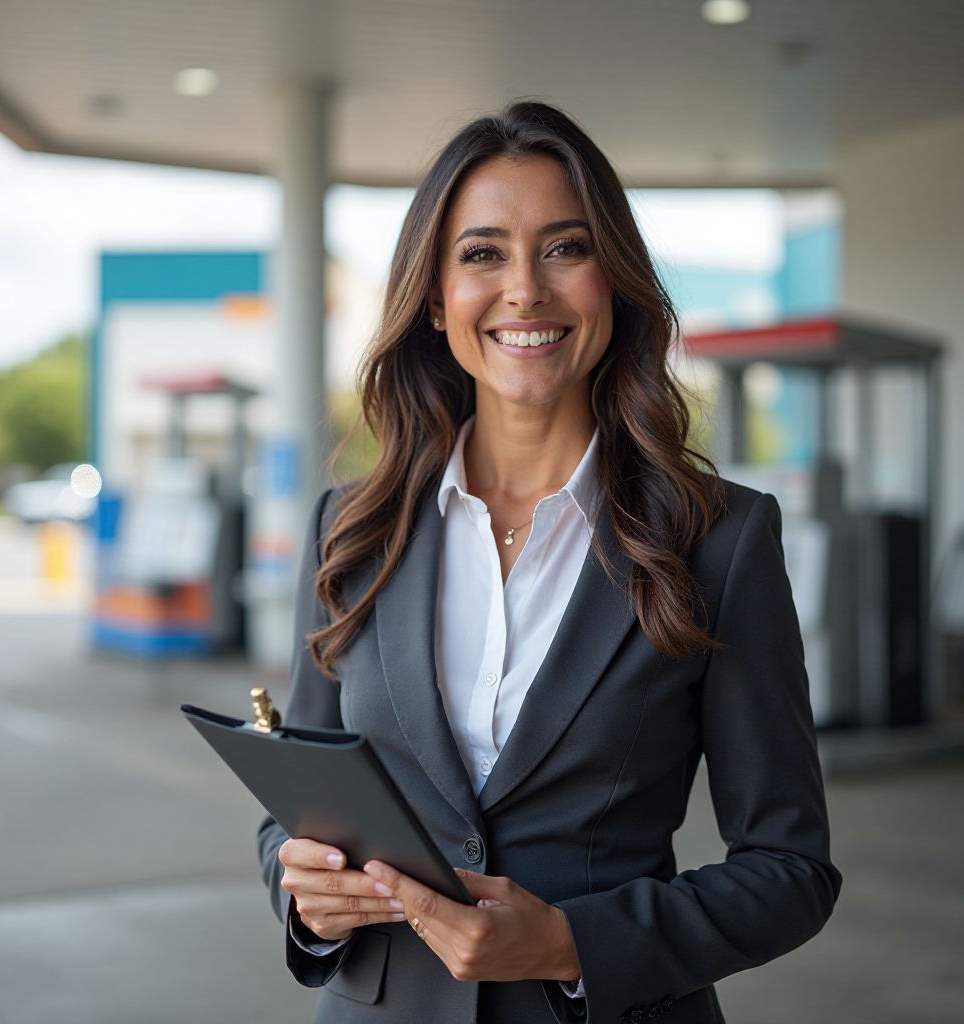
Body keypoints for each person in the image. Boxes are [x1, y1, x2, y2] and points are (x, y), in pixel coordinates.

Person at [257, 99, 842, 1024]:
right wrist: (306, 896)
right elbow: (298, 809)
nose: (524, 290)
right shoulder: (351, 531)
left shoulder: (720, 540)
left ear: (614, 280)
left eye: (565, 249)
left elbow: (791, 870)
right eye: (482, 254)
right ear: (435, 299)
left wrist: (571, 942)